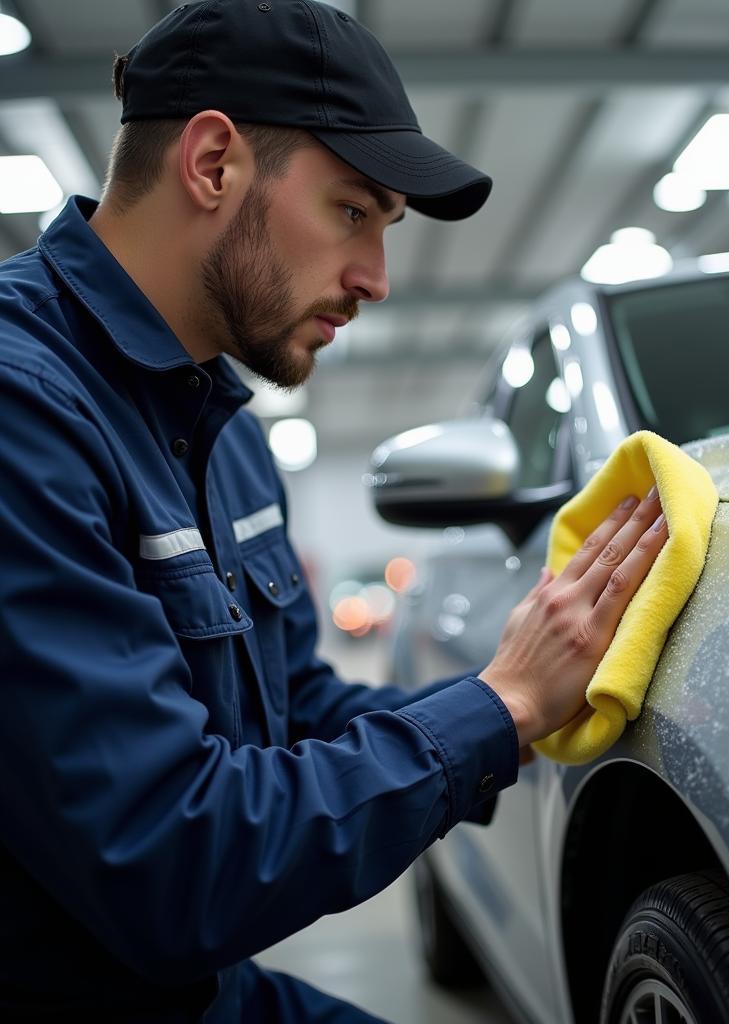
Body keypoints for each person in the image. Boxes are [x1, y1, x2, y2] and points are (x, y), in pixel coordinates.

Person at [0, 2, 668, 1020]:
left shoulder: (222, 430)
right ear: (214, 162)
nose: (378, 280)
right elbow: (173, 868)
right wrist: (500, 709)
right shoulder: (24, 412)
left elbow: (296, 709)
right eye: (354, 210)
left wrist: (525, 702)